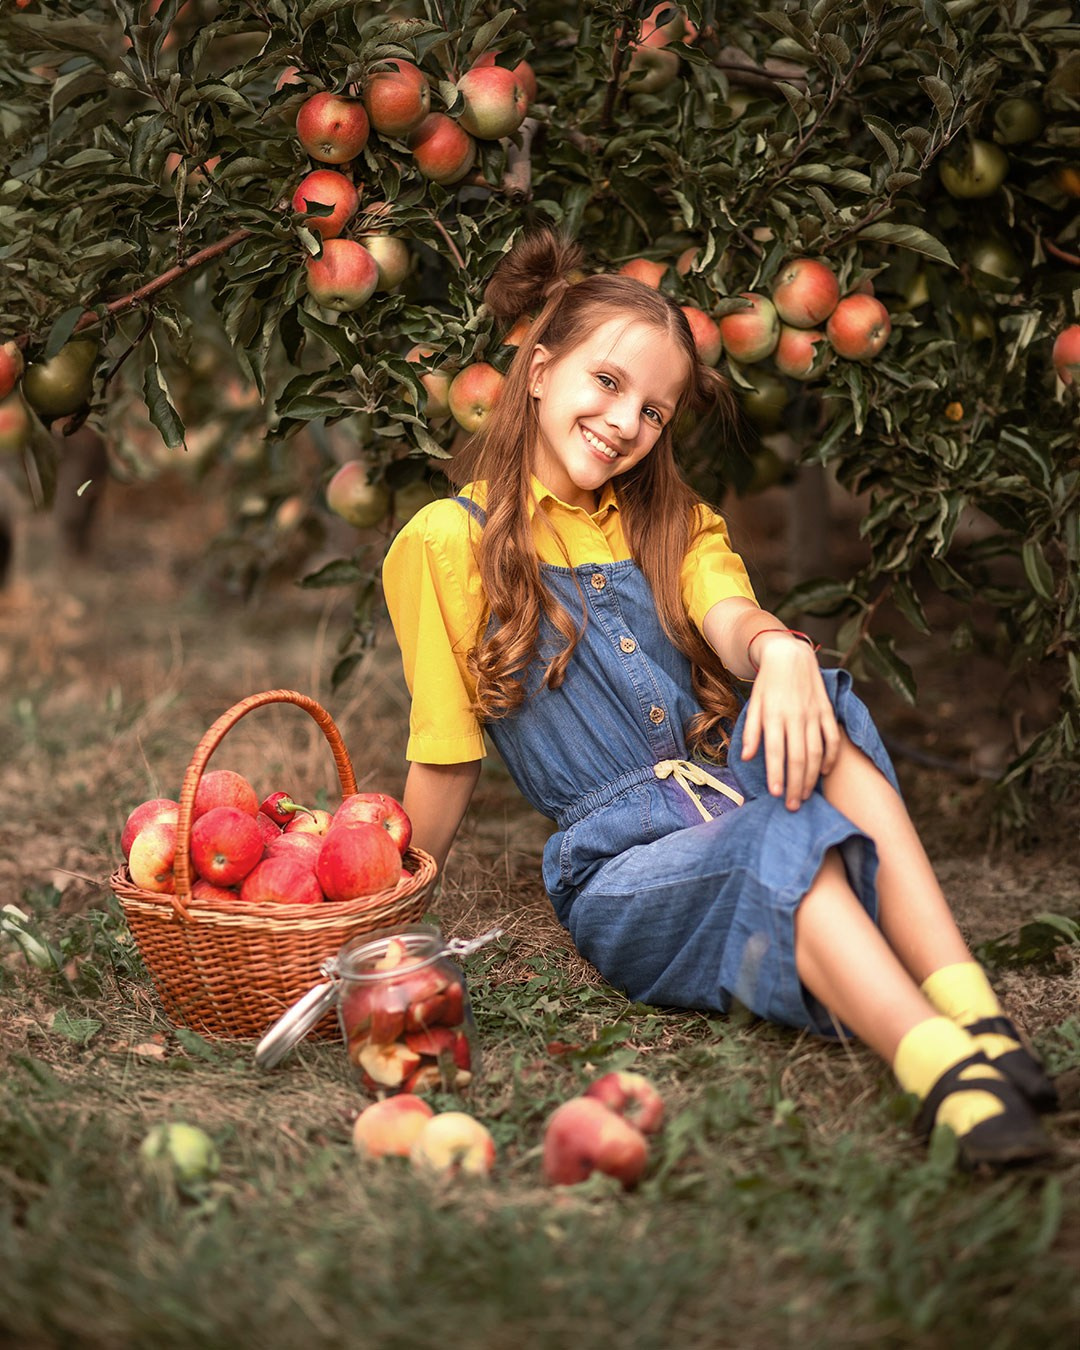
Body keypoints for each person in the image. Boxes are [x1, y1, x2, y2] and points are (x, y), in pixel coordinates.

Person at [381, 230, 1058, 1168]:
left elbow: (731, 614)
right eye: (607, 383)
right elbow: (445, 754)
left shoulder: (674, 522)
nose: (626, 423)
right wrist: (381, 927)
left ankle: (977, 1019)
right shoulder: (446, 544)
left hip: (728, 794)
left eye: (654, 411)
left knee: (816, 694)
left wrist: (777, 650)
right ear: (539, 372)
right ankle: (941, 1069)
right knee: (770, 835)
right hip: (623, 866)